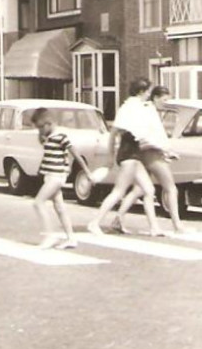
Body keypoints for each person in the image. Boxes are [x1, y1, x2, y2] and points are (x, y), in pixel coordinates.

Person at [89, 79, 161, 236]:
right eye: (148, 91)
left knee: (148, 189)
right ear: (141, 91)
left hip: (134, 155)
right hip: (128, 154)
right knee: (119, 191)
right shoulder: (129, 108)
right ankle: (94, 223)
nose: (150, 94)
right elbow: (113, 133)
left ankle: (154, 228)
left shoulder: (138, 108)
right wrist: (110, 157)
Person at [136, 85, 188, 234]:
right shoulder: (150, 113)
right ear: (155, 98)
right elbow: (149, 137)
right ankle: (177, 224)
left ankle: (118, 219)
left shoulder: (150, 111)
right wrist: (165, 150)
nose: (165, 103)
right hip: (153, 153)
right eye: (164, 100)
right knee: (171, 188)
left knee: (141, 189)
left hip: (149, 152)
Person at [30, 108, 81, 250]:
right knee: (59, 207)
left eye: (41, 127)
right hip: (51, 176)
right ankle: (71, 238)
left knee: (38, 203)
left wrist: (87, 172)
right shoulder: (49, 136)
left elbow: (74, 153)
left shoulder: (60, 136)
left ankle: (50, 236)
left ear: (49, 123)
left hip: (56, 176)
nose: (39, 130)